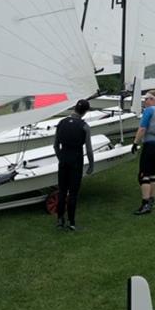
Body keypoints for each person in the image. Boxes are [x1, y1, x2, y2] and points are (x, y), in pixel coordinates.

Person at [52, 99, 95, 230]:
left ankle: (60, 219)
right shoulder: (84, 126)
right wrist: (91, 165)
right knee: (73, 192)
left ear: (75, 108)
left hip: (63, 158)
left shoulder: (61, 123)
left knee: (62, 191)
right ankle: (71, 222)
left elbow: (55, 145)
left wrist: (61, 157)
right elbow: (88, 149)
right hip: (76, 159)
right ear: (85, 112)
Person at [131, 90, 155, 215]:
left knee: (143, 175)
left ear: (152, 100)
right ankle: (151, 200)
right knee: (153, 174)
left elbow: (142, 128)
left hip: (149, 145)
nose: (144, 101)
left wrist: (135, 142)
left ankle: (145, 203)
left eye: (146, 99)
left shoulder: (149, 111)